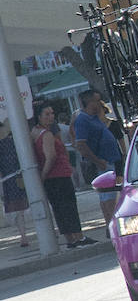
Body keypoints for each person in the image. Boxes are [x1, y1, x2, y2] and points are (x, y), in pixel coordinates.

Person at [32, 101, 96, 249]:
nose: (51, 117)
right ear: (39, 116)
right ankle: (78, 237)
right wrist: (43, 175)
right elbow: (51, 156)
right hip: (58, 175)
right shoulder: (46, 134)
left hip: (53, 177)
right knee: (68, 206)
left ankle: (70, 238)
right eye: (47, 114)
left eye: (52, 113)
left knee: (59, 208)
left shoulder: (36, 132)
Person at [73, 89, 122, 231]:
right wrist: (98, 162)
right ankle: (114, 228)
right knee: (109, 199)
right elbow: (81, 144)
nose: (99, 104)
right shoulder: (82, 120)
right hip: (103, 164)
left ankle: (112, 227)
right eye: (96, 101)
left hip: (111, 161)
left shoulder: (94, 118)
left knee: (111, 197)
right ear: (89, 102)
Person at [0, 120, 29, 246]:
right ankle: (23, 235)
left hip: (11, 180)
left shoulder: (12, 142)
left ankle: (23, 235)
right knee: (22, 208)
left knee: (18, 209)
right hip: (20, 177)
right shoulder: (14, 142)